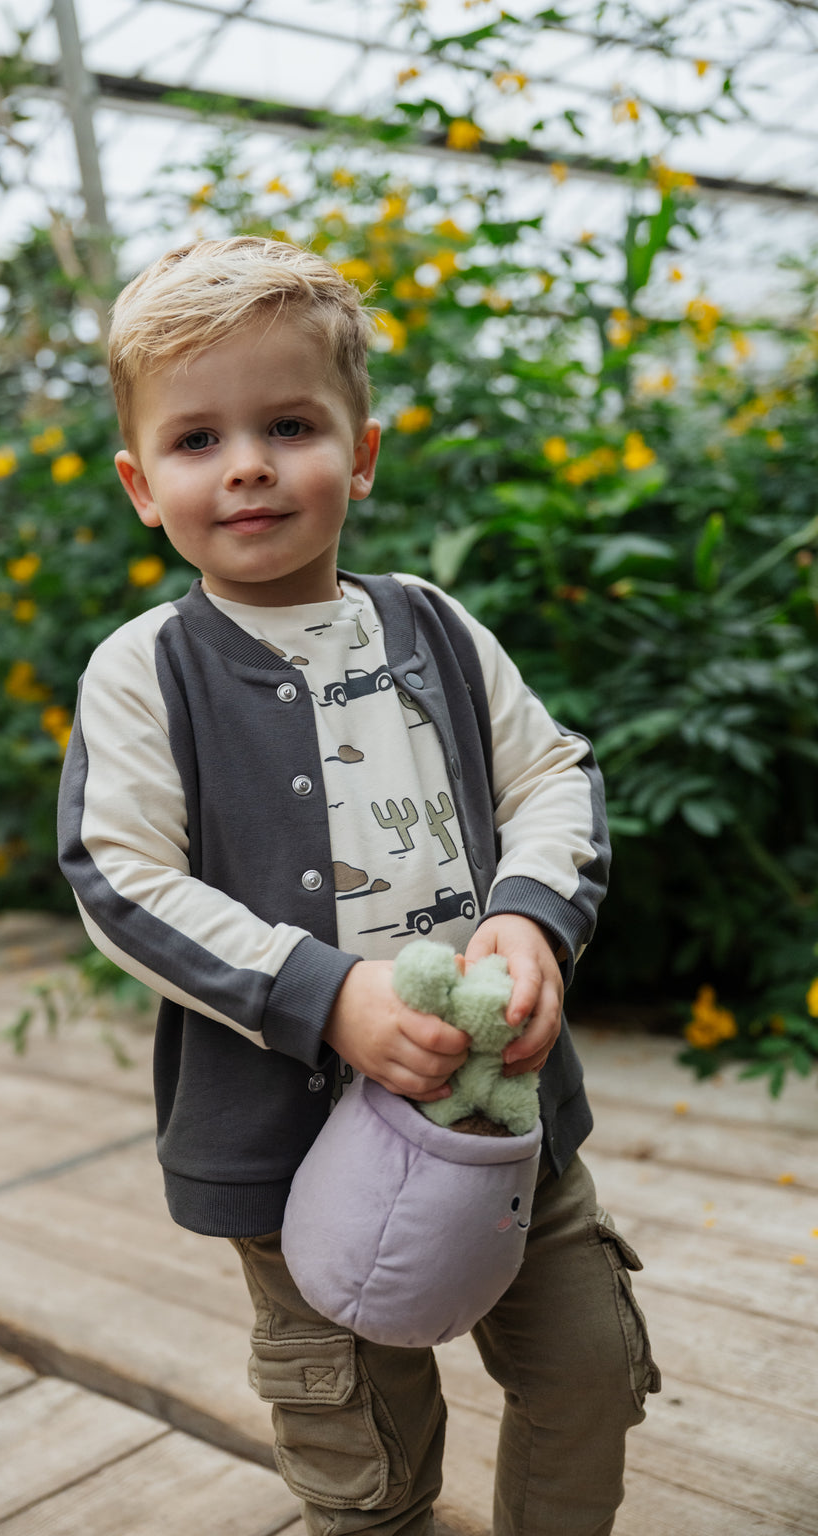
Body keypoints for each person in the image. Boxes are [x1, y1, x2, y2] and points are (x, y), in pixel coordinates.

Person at [57, 235, 659, 1536]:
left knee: (589, 1370)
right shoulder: (148, 670)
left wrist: (530, 915)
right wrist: (325, 994)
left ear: (363, 452)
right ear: (139, 486)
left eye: (289, 423)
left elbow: (551, 770)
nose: (252, 465)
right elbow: (120, 873)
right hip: (293, 1158)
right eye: (198, 440)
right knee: (364, 1454)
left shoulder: (431, 624)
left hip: (503, 1122)